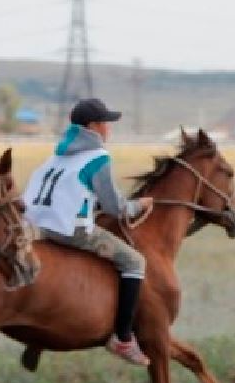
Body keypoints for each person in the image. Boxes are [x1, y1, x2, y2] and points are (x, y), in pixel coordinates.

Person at [23, 97, 154, 365]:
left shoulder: (57, 154)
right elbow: (115, 208)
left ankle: (37, 343)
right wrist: (137, 206)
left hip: (41, 227)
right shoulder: (98, 157)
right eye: (106, 123)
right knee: (134, 261)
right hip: (72, 231)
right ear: (93, 126)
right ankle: (123, 338)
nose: (109, 128)